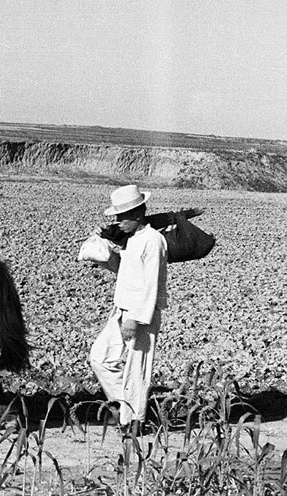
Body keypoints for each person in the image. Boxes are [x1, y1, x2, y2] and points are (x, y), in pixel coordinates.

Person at [89, 184, 168, 437]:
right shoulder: (132, 240)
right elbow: (126, 273)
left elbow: (151, 283)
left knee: (137, 368)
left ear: (137, 214)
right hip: (121, 309)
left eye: (122, 217)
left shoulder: (153, 241)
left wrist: (135, 318)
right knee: (100, 358)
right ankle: (128, 409)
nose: (118, 222)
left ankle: (135, 422)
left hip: (140, 313)